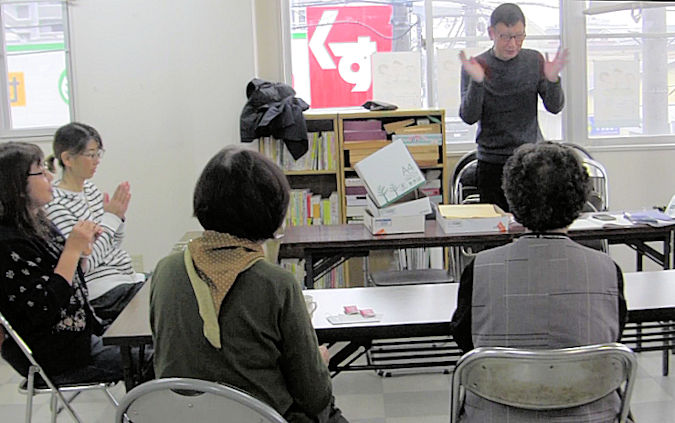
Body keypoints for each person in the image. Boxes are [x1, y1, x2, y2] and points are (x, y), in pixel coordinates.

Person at [150, 146, 348, 423]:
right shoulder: (276, 283)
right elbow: (314, 396)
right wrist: (320, 361)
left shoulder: (165, 271)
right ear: (272, 213)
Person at [450, 142, 627, 422]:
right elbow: (611, 337)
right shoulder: (607, 269)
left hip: (497, 414)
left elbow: (465, 339)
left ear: (512, 198)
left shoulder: (480, 268)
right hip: (593, 415)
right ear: (580, 200)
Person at [0, 141, 123, 384]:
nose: (50, 176)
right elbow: (45, 306)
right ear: (16, 185)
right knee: (155, 358)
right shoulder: (7, 242)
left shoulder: (39, 223)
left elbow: (67, 277)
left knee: (155, 343)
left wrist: (82, 251)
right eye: (40, 171)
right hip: (57, 357)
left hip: (82, 337)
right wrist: (72, 250)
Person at [458, 3, 568, 211]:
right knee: (495, 225)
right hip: (492, 162)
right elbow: (469, 116)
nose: (513, 44)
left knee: (533, 221)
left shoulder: (534, 60)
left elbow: (555, 107)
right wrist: (478, 83)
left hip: (530, 160)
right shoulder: (476, 65)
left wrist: (553, 80)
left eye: (519, 36)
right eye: (505, 37)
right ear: (491, 33)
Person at [45, 122, 144, 324]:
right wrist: (111, 219)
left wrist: (118, 218)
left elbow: (112, 244)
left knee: (170, 279)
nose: (97, 161)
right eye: (91, 155)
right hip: (101, 291)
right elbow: (84, 264)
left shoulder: (90, 190)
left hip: (124, 278)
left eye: (99, 154)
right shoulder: (56, 203)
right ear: (67, 159)